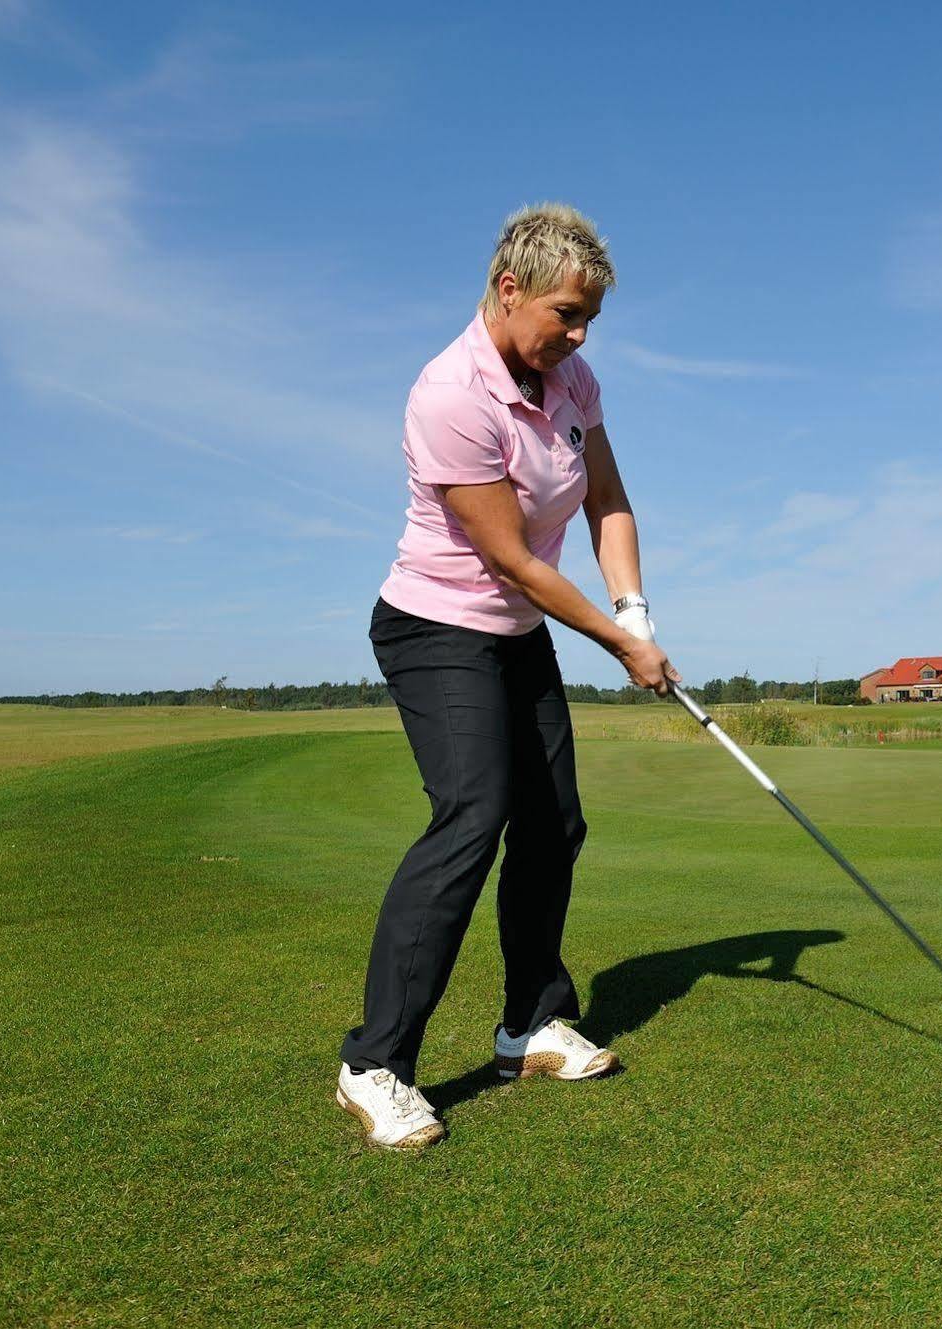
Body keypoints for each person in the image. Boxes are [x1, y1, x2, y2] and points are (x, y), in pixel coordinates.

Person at [335, 203, 679, 1149]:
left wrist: (637, 610)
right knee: (472, 816)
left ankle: (528, 1024)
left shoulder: (571, 379)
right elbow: (514, 561)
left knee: (554, 819)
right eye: (565, 314)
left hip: (519, 634)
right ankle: (374, 1063)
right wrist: (620, 644)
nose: (575, 337)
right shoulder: (448, 394)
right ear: (508, 288)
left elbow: (606, 498)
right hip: (434, 628)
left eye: (589, 322)